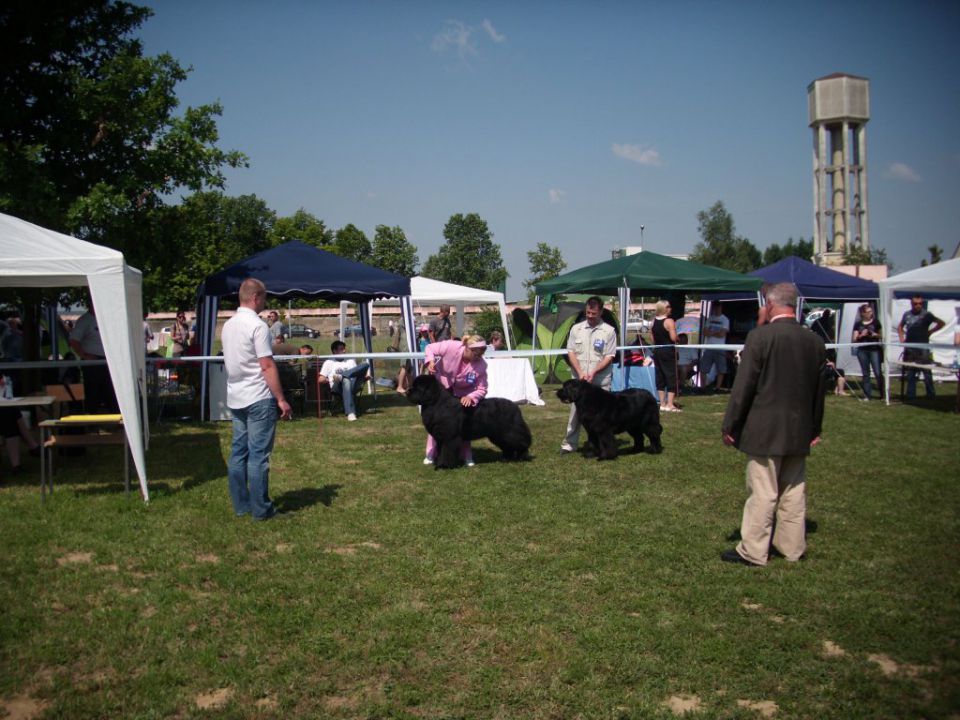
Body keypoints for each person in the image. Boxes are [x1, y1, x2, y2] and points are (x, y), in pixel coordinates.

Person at [720, 282, 827, 567]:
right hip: (799, 429)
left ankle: (754, 550)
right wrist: (815, 428)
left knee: (764, 491)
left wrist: (730, 424)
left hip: (765, 428)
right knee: (794, 491)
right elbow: (820, 391)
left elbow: (743, 387)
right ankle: (792, 548)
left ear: (770, 304)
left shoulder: (760, 338)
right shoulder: (814, 341)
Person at [221, 278, 292, 521]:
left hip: (236, 396)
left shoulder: (228, 325)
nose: (265, 302)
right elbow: (266, 364)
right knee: (258, 455)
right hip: (258, 397)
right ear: (255, 298)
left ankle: (242, 505)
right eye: (264, 298)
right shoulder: (258, 326)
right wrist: (281, 399)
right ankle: (262, 509)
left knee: (238, 453)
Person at [560, 296, 617, 453]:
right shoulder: (576, 329)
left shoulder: (609, 331)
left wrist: (593, 371)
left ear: (601, 312)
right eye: (588, 313)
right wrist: (580, 372)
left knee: (603, 416)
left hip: (600, 379)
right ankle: (569, 444)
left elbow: (609, 356)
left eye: (593, 313)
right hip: (579, 380)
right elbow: (570, 351)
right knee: (575, 414)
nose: (590, 316)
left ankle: (602, 444)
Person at [422, 334, 488, 466]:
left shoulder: (481, 365)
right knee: (437, 422)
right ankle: (431, 453)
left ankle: (466, 455)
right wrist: (431, 361)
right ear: (467, 348)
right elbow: (429, 347)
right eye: (476, 354)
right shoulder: (451, 346)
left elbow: (482, 388)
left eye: (481, 354)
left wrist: (471, 397)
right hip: (442, 386)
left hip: (463, 395)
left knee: (463, 424)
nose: (478, 357)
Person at [69, 305, 118, 412]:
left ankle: (116, 422)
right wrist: (84, 356)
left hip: (108, 361)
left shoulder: (107, 318)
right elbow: (73, 341)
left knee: (111, 392)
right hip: (92, 363)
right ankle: (91, 422)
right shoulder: (85, 320)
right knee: (93, 392)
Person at [898, 295, 945, 399]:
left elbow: (941, 323)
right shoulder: (907, 314)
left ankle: (931, 394)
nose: (918, 305)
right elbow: (900, 326)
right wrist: (901, 339)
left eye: (920, 303)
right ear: (911, 304)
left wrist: (930, 332)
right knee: (911, 372)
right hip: (910, 346)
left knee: (927, 371)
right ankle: (911, 395)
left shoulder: (927, 314)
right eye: (915, 304)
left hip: (923, 346)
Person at [318, 340, 370, 422]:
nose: (344, 351)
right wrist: (328, 379)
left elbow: (356, 373)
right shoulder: (328, 362)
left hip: (353, 385)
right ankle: (350, 413)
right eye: (341, 349)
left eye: (344, 349)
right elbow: (320, 379)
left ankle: (342, 376)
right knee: (346, 380)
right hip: (337, 387)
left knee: (365, 364)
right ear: (335, 351)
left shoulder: (350, 360)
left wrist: (365, 377)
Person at [651, 300, 681, 412]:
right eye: (668, 306)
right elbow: (673, 338)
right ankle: (670, 404)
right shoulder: (669, 321)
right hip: (668, 351)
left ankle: (662, 403)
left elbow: (652, 339)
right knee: (671, 375)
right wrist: (678, 338)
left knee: (660, 376)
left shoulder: (653, 321)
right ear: (663, 308)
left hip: (657, 350)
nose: (670, 308)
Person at [851, 303, 883, 400]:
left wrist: (874, 334)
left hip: (874, 350)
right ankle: (867, 395)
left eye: (871, 311)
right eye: (868, 312)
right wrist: (861, 335)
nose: (870, 313)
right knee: (865, 373)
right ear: (863, 314)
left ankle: (883, 394)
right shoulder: (858, 324)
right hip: (862, 350)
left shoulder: (876, 322)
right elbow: (854, 339)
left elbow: (881, 335)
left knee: (877, 372)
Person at [700, 302, 730, 391]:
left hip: (720, 347)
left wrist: (711, 333)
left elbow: (722, 334)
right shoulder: (710, 319)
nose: (716, 309)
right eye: (715, 307)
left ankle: (718, 387)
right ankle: (703, 387)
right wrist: (716, 332)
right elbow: (705, 332)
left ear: (721, 307)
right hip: (709, 347)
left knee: (721, 368)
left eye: (718, 307)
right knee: (703, 368)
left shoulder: (725, 319)